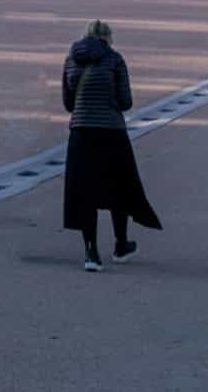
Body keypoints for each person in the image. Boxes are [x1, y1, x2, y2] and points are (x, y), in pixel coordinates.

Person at [61, 20, 162, 272]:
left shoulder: (71, 59)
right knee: (120, 188)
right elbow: (125, 102)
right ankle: (120, 245)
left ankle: (91, 253)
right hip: (111, 132)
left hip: (81, 133)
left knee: (85, 193)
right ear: (108, 38)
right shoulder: (115, 60)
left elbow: (68, 103)